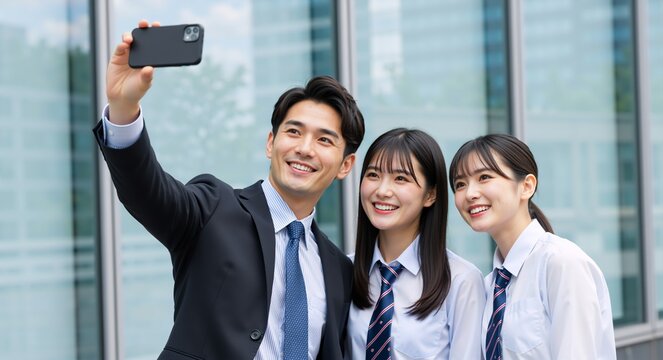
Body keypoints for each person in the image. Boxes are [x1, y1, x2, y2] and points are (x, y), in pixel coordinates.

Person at [94, 20, 365, 359]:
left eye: (324, 139)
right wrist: (122, 109)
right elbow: (146, 191)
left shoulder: (338, 269)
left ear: (345, 165)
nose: (305, 148)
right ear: (271, 143)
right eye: (293, 132)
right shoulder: (214, 208)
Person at [448, 134, 616, 360]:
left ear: (526, 186)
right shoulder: (489, 286)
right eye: (460, 184)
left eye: (485, 177)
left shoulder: (561, 263)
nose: (470, 193)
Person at [347, 128, 485, 359]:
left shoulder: (461, 281)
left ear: (430, 195)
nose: (382, 190)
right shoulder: (344, 271)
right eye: (373, 175)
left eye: (400, 178)